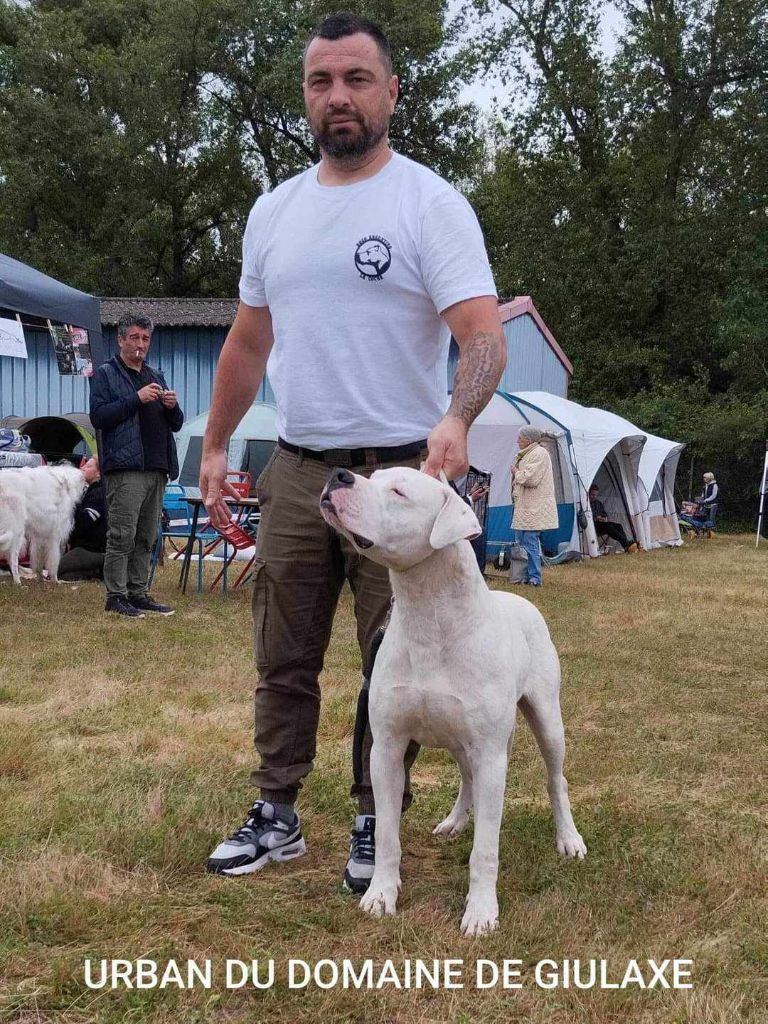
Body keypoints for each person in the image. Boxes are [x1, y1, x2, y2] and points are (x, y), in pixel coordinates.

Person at [200, 13, 506, 890]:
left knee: (391, 663)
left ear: (391, 93)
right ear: (306, 95)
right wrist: (215, 444)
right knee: (282, 653)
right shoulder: (275, 212)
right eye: (321, 81)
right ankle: (276, 812)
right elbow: (247, 344)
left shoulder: (429, 205)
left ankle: (377, 821)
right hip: (299, 467)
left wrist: (458, 416)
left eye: (357, 79)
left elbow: (483, 336)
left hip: (402, 474)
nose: (338, 96)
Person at [89, 313, 184, 618]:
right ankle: (116, 596)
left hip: (157, 466)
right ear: (120, 340)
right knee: (122, 535)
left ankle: (138, 592)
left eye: (145, 338)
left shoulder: (156, 375)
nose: (140, 344)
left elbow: (177, 424)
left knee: (147, 536)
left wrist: (173, 407)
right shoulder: (106, 374)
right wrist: (136, 398)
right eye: (134, 338)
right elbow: (99, 417)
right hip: (126, 467)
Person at [510, 427, 558, 585]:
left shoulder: (539, 453)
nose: (517, 441)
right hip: (526, 505)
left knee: (530, 541)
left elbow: (531, 479)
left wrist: (516, 472)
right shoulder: (527, 454)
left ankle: (535, 578)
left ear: (528, 440)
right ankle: (522, 575)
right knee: (523, 542)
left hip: (535, 506)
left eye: (520, 438)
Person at [58, 456, 107, 580]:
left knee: (56, 570)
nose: (82, 468)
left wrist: (73, 499)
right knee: (58, 571)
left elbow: (85, 523)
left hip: (93, 549)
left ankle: (98, 570)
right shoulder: (90, 491)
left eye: (88, 466)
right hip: (83, 547)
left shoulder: (99, 493)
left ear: (99, 474)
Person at [589, 483, 638, 554]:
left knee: (619, 526)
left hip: (602, 524)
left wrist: (604, 518)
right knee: (608, 526)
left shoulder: (598, 503)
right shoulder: (586, 504)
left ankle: (626, 546)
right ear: (588, 494)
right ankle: (627, 544)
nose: (594, 496)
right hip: (593, 527)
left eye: (596, 495)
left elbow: (605, 515)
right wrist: (596, 518)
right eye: (592, 495)